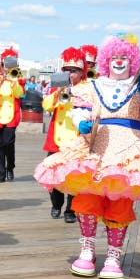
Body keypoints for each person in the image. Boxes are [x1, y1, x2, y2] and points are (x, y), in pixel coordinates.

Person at [35, 33, 140, 279]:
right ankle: (87, 251)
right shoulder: (92, 86)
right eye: (114, 57)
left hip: (130, 147)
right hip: (96, 144)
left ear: (132, 60)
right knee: (88, 197)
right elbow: (79, 111)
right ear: (106, 60)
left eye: (124, 57)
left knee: (121, 200)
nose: (119, 61)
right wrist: (83, 123)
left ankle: (113, 256)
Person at [41, 47, 88, 223]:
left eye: (73, 70)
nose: (69, 73)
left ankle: (71, 209)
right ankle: (56, 204)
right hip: (57, 140)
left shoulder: (87, 88)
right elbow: (46, 106)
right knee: (54, 176)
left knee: (74, 178)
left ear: (82, 72)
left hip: (77, 141)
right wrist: (57, 94)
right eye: (66, 70)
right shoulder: (57, 88)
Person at [0, 47, 25, 183]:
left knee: (8, 144)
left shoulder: (18, 79)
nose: (7, 68)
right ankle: (1, 172)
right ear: (1, 66)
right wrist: (2, 80)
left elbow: (19, 94)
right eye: (5, 65)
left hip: (11, 117)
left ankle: (10, 167)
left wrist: (13, 80)